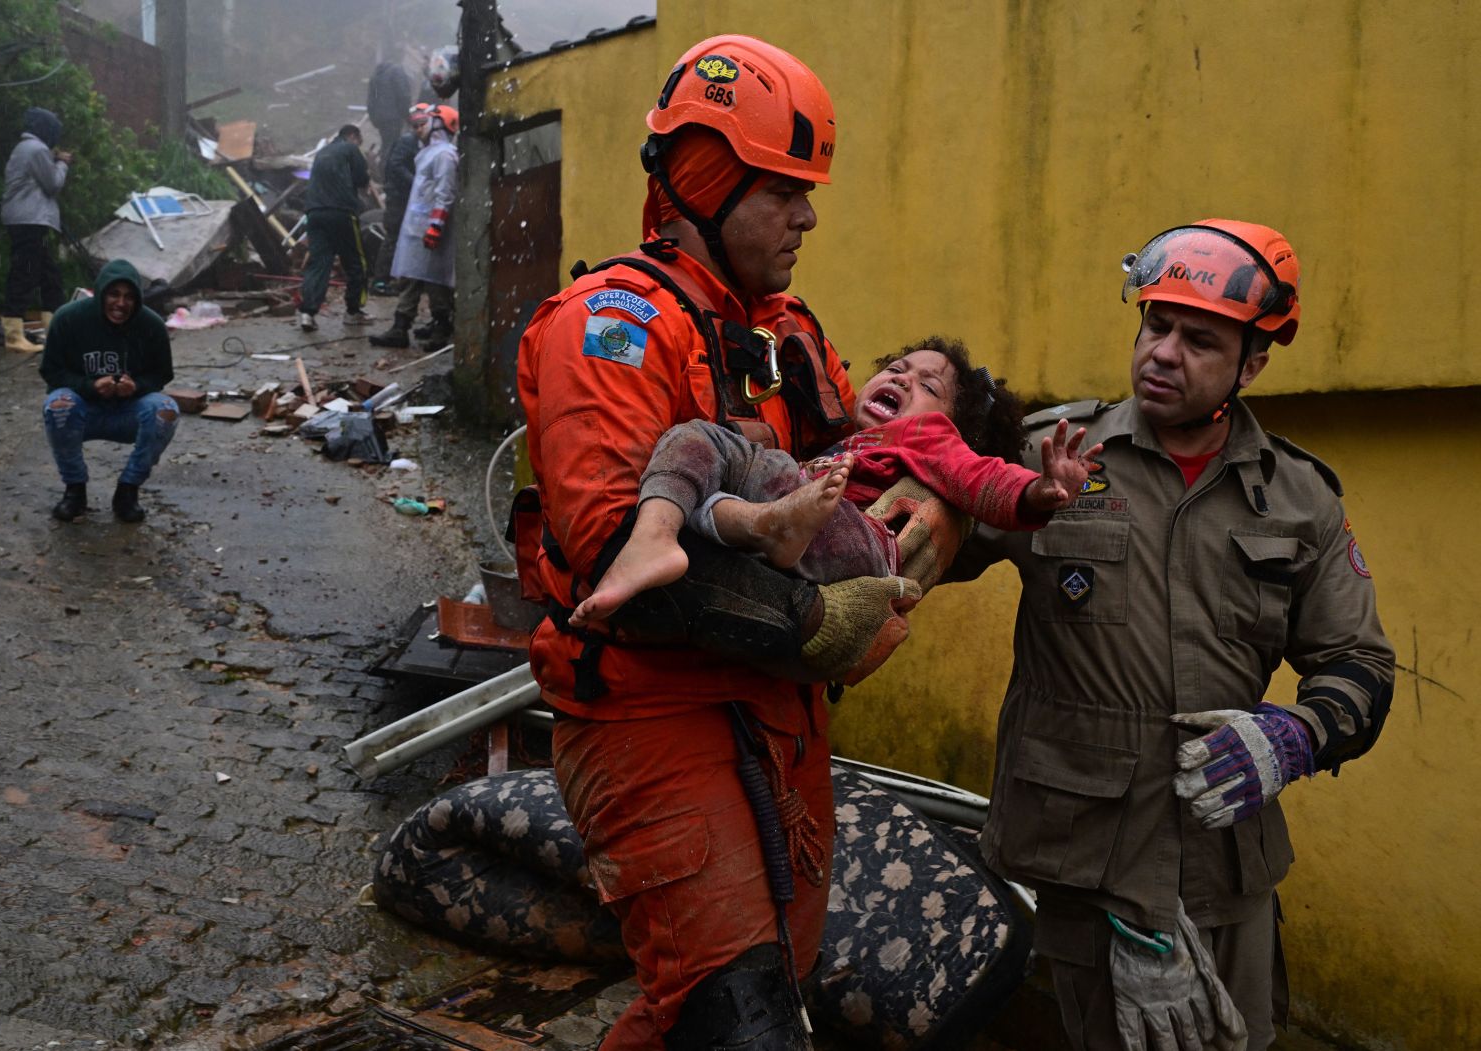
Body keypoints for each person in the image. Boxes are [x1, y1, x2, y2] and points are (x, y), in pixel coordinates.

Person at [516, 34, 928, 1050]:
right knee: (736, 1020)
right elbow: (625, 564)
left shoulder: (786, 333)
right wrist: (822, 621)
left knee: (732, 1001)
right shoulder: (609, 326)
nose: (808, 215)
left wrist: (944, 495)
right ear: (704, 178)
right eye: (783, 188)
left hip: (778, 716)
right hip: (654, 716)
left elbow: (857, 478)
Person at [950, 220, 1396, 1051]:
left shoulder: (1300, 500)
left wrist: (1296, 734)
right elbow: (907, 551)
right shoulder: (1052, 452)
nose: (1163, 352)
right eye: (1156, 325)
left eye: (1199, 339)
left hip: (1228, 867)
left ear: (1251, 364)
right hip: (1089, 868)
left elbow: (1361, 666)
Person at [572, 336, 1099, 626]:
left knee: (758, 465)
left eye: (926, 383)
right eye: (896, 367)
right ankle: (672, 536)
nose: (901, 377)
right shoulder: (845, 447)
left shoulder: (927, 434)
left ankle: (756, 524)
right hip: (804, 534)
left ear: (952, 424)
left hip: (859, 544)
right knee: (701, 451)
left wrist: (1038, 493)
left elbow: (982, 479)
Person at [41, 258, 178, 523]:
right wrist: (89, 386)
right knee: (58, 404)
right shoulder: (68, 319)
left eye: (129, 296)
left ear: (137, 299)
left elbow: (162, 374)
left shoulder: (151, 325)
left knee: (165, 411)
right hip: (84, 410)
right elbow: (51, 372)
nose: (121, 303)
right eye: (113, 294)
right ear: (101, 292)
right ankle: (75, 490)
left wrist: (136, 386)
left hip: (128, 412)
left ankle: (128, 490)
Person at [369, 103, 458, 350]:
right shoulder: (429, 153)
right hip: (418, 227)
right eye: (415, 125)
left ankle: (441, 329)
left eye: (422, 124)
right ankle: (400, 328)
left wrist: (436, 225)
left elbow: (445, 193)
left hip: (431, 228)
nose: (418, 129)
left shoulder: (444, 155)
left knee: (436, 281)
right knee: (411, 277)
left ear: (439, 125)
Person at [0, 107, 71, 354]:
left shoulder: (26, 148)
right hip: (29, 219)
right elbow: (53, 184)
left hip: (27, 219)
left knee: (49, 276)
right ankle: (14, 336)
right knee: (25, 274)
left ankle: (56, 332)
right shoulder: (37, 149)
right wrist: (61, 163)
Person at [298, 124, 370, 333]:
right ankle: (353, 312)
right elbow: (361, 178)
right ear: (352, 135)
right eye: (359, 141)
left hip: (314, 213)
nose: (359, 145)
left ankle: (307, 313)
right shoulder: (350, 148)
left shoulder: (321, 153)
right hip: (341, 212)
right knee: (356, 261)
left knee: (318, 263)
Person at [367, 112, 419, 295]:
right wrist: (416, 182)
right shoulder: (408, 141)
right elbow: (396, 166)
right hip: (398, 199)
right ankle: (380, 282)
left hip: (403, 197)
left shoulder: (414, 142)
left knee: (399, 238)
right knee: (393, 237)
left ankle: (394, 279)